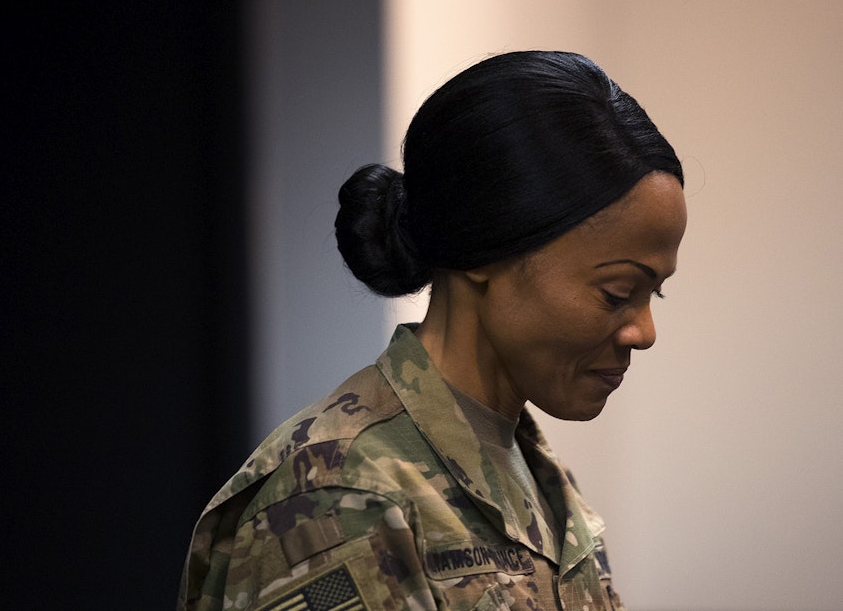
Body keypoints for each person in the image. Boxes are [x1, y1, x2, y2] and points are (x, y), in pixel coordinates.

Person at [178, 51, 687, 611]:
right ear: (485, 250)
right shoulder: (342, 498)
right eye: (617, 293)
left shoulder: (541, 481)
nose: (644, 331)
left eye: (652, 293)